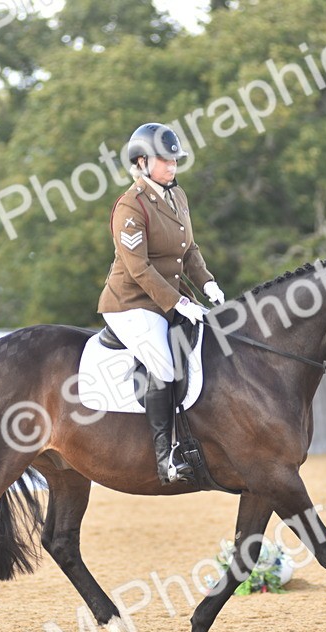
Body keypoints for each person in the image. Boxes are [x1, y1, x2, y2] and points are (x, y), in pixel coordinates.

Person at [98, 123, 225, 485]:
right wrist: (178, 302)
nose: (173, 166)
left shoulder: (177, 196)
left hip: (168, 299)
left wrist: (208, 283)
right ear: (141, 162)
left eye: (175, 160)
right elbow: (139, 268)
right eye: (165, 160)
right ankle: (164, 456)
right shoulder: (130, 206)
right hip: (131, 303)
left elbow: (190, 250)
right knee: (164, 364)